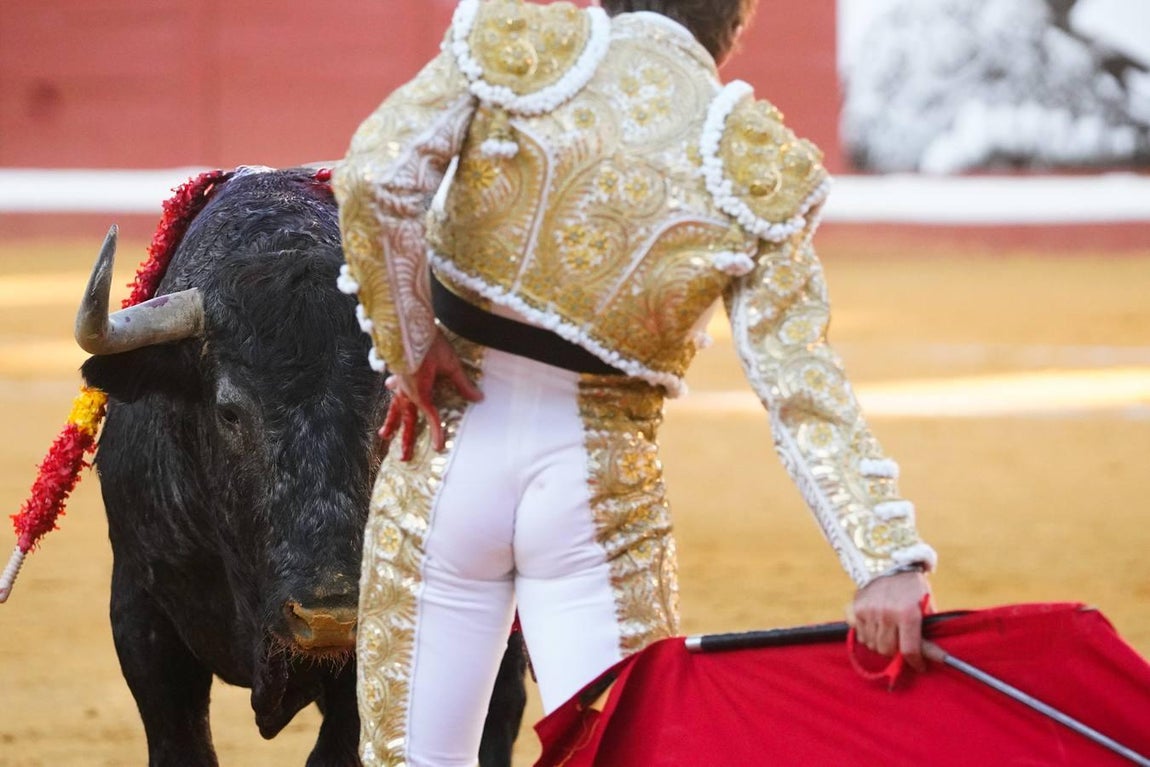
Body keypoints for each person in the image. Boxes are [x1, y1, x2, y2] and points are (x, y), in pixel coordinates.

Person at [333, 0, 937, 764]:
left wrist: (412, 344)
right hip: (598, 494)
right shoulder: (749, 159)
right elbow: (801, 385)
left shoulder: (517, 46)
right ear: (734, 25)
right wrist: (885, 559)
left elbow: (373, 180)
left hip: (445, 449)